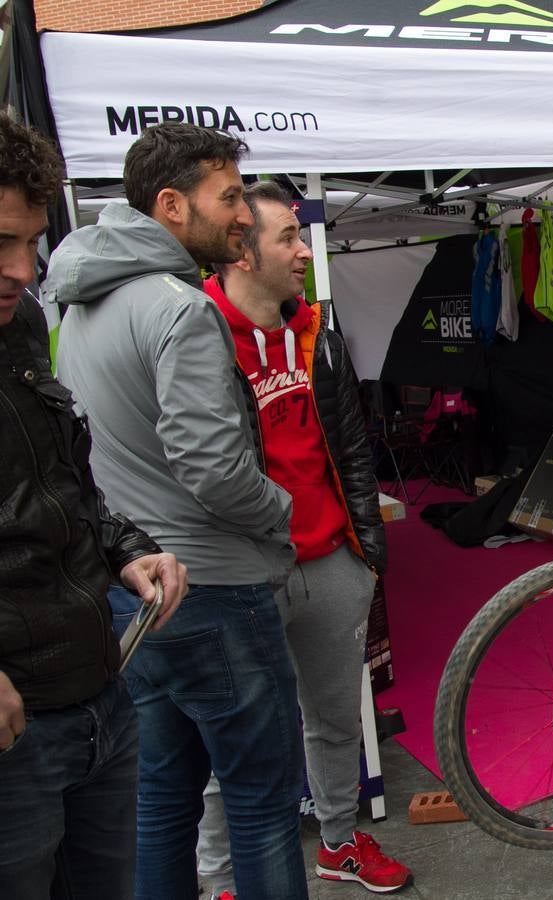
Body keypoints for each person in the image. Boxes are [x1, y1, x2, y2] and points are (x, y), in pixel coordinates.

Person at [47, 123, 306, 900]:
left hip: (135, 590)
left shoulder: (82, 299)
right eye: (227, 198)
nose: (240, 216)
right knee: (262, 805)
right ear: (169, 204)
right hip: (212, 590)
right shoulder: (180, 308)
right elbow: (213, 468)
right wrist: (280, 510)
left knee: (162, 798)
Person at [195, 182, 410, 895]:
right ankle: (220, 880)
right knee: (237, 736)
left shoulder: (318, 335)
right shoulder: (193, 331)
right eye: (287, 236)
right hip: (242, 574)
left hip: (331, 562)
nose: (301, 251)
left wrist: (366, 555)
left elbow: (352, 451)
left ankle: (339, 845)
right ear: (240, 248)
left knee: (333, 718)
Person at [0, 111, 187, 899]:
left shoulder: (21, 323)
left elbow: (65, 485)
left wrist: (125, 548)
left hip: (98, 695)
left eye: (29, 244)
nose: (20, 269)